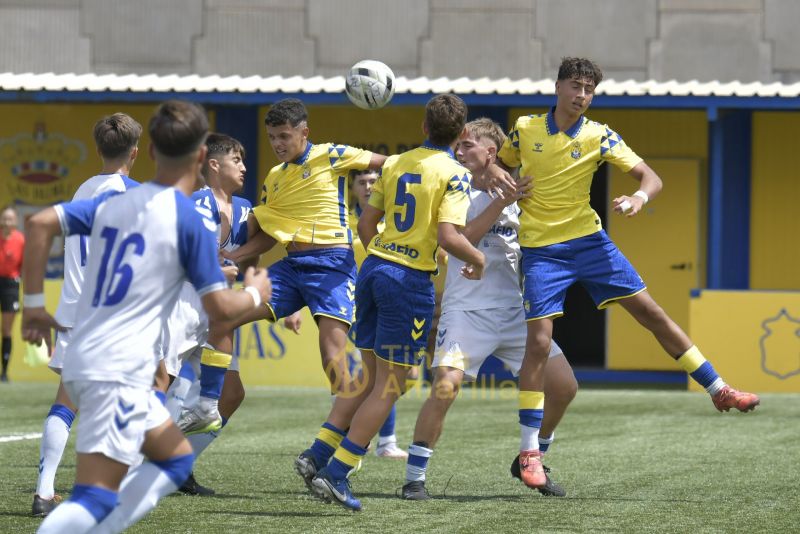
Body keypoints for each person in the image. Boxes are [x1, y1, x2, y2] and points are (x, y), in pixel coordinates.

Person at [486, 57, 760, 489]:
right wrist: (502, 179)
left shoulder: (599, 135)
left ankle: (719, 389)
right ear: (557, 87)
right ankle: (529, 452)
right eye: (575, 86)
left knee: (651, 313)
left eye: (589, 89)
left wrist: (638, 199)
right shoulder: (525, 128)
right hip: (542, 251)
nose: (581, 96)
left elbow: (649, 176)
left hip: (591, 243)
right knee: (538, 342)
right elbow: (499, 165)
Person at [22, 99, 272, 533]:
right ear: (200, 158)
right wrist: (254, 294)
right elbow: (219, 310)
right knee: (99, 493)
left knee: (171, 459)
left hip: (87, 347)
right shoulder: (183, 219)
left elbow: (40, 224)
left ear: (152, 151)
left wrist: (33, 306)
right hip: (117, 364)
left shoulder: (115, 202)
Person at [310, 93, 484, 512]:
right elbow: (448, 236)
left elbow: (367, 222)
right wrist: (477, 259)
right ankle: (337, 472)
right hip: (408, 282)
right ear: (461, 135)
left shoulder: (394, 162)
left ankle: (317, 454)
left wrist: (383, 263)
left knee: (369, 376)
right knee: (394, 383)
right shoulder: (456, 174)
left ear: (423, 127)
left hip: (372, 270)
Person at [400, 118, 577, 500]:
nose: (458, 151)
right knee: (445, 388)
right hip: (466, 310)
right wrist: (500, 201)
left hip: (514, 311)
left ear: (490, 153)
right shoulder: (455, 188)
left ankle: (531, 459)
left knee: (564, 388)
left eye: (467, 146)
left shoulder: (517, 190)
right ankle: (414, 478)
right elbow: (460, 240)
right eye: (458, 146)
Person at [219, 98, 388, 488]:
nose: (278, 143)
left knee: (332, 353)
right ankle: (206, 398)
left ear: (303, 132)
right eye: (272, 137)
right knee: (227, 315)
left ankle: (343, 434)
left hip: (332, 265)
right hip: (292, 269)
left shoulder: (331, 156)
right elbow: (266, 234)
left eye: (284, 136)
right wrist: (235, 254)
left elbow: (387, 165)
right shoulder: (275, 177)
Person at [31, 113, 142, 517]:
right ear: (135, 152)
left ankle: (45, 492)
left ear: (98, 149)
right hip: (114, 314)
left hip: (74, 311)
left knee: (66, 405)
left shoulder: (81, 191)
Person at [165, 132, 258, 495]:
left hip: (220, 316)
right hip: (183, 307)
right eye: (237, 160)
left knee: (231, 394)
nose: (244, 167)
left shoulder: (247, 208)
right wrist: (214, 266)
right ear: (214, 165)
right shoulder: (194, 201)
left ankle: (179, 469)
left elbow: (252, 258)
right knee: (161, 384)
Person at [348, 168, 411, 460]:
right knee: (384, 375)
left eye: (374, 181)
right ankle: (384, 441)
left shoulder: (395, 223)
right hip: (357, 307)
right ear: (352, 189)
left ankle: (353, 422)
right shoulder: (345, 224)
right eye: (362, 182)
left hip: (392, 302)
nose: (369, 187)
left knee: (400, 374)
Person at [0, 205, 24, 382]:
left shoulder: (20, 240)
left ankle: (4, 372)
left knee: (6, 330)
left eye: (10, 218)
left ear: (15, 221)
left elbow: (25, 266)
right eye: (4, 218)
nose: (7, 221)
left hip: (10, 285)